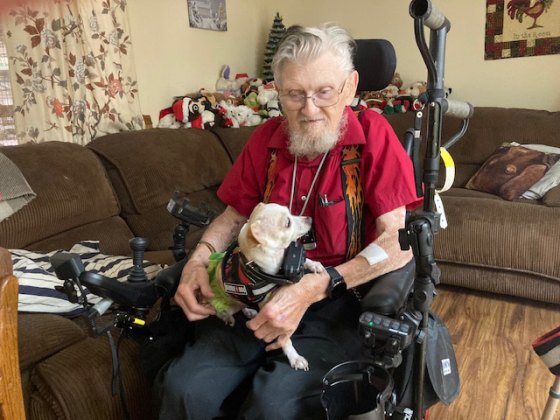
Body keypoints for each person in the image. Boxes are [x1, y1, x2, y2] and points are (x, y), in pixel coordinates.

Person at [155, 23, 421, 419]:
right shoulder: (267, 140)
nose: (309, 109)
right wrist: (198, 260)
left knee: (274, 408)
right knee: (185, 390)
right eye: (295, 94)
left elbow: (396, 243)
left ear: (350, 86)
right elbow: (232, 218)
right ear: (278, 92)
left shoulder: (373, 136)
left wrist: (315, 288)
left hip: (335, 299)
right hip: (255, 291)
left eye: (324, 92)